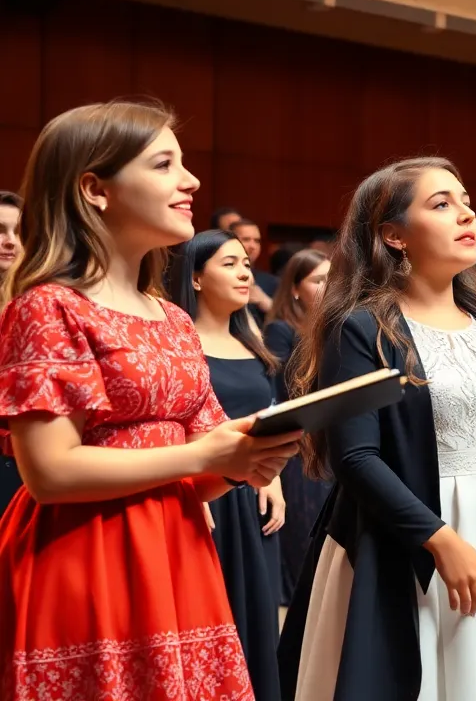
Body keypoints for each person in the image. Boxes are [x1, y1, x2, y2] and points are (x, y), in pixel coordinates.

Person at [0, 100, 301, 699]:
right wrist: (206, 457)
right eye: (164, 165)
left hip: (179, 550)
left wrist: (248, 459)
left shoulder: (170, 317)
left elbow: (205, 470)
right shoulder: (49, 305)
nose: (189, 181)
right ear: (95, 188)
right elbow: (52, 471)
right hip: (89, 553)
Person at [278, 157, 476, 701]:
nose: (466, 214)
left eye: (466, 202)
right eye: (441, 204)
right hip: (412, 537)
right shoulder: (365, 327)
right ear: (394, 236)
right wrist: (439, 540)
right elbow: (357, 458)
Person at [168, 230, 286, 701]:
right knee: (215, 617)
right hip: (206, 496)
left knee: (258, 617)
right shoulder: (179, 339)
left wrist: (271, 475)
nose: (245, 272)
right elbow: (176, 423)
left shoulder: (253, 341)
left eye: (246, 264)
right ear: (195, 278)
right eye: (229, 264)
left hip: (255, 498)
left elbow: (268, 419)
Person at [263, 248, 332, 603]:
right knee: (303, 535)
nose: (328, 286)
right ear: (294, 288)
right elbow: (275, 392)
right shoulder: (280, 330)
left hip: (327, 440)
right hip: (296, 443)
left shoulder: (332, 327)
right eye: (319, 280)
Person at [0, 191, 23, 512]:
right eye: (0, 231)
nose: (10, 241)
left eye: (19, 232)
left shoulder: (45, 310)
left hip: (25, 464)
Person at [231, 219, 278, 323]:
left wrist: (266, 302)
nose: (253, 246)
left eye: (257, 241)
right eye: (246, 239)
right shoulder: (219, 275)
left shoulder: (272, 282)